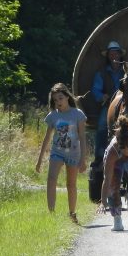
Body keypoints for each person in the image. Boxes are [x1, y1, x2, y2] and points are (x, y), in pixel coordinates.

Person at [35, 83, 87, 223]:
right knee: (51, 179)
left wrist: (83, 159)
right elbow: (47, 138)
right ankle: (51, 213)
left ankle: (72, 213)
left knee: (71, 184)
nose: (58, 102)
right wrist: (39, 160)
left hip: (74, 154)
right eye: (55, 100)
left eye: (60, 98)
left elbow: (82, 137)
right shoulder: (52, 116)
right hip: (57, 152)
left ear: (67, 97)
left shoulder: (78, 114)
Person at [91, 41, 126, 166]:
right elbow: (95, 89)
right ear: (108, 56)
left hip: (126, 105)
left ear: (120, 55)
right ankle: (99, 156)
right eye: (111, 54)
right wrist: (102, 96)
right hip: (109, 106)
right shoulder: (102, 73)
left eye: (116, 53)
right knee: (101, 126)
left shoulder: (126, 71)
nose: (114, 56)